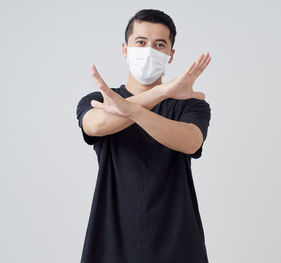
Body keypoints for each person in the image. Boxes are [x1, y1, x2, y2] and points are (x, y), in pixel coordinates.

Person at [76, 8, 212, 263]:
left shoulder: (190, 104)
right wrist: (163, 92)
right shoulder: (99, 99)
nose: (150, 50)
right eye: (141, 42)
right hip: (111, 236)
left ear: (170, 56)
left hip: (177, 239)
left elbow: (191, 141)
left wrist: (129, 108)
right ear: (125, 49)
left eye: (160, 44)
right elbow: (94, 126)